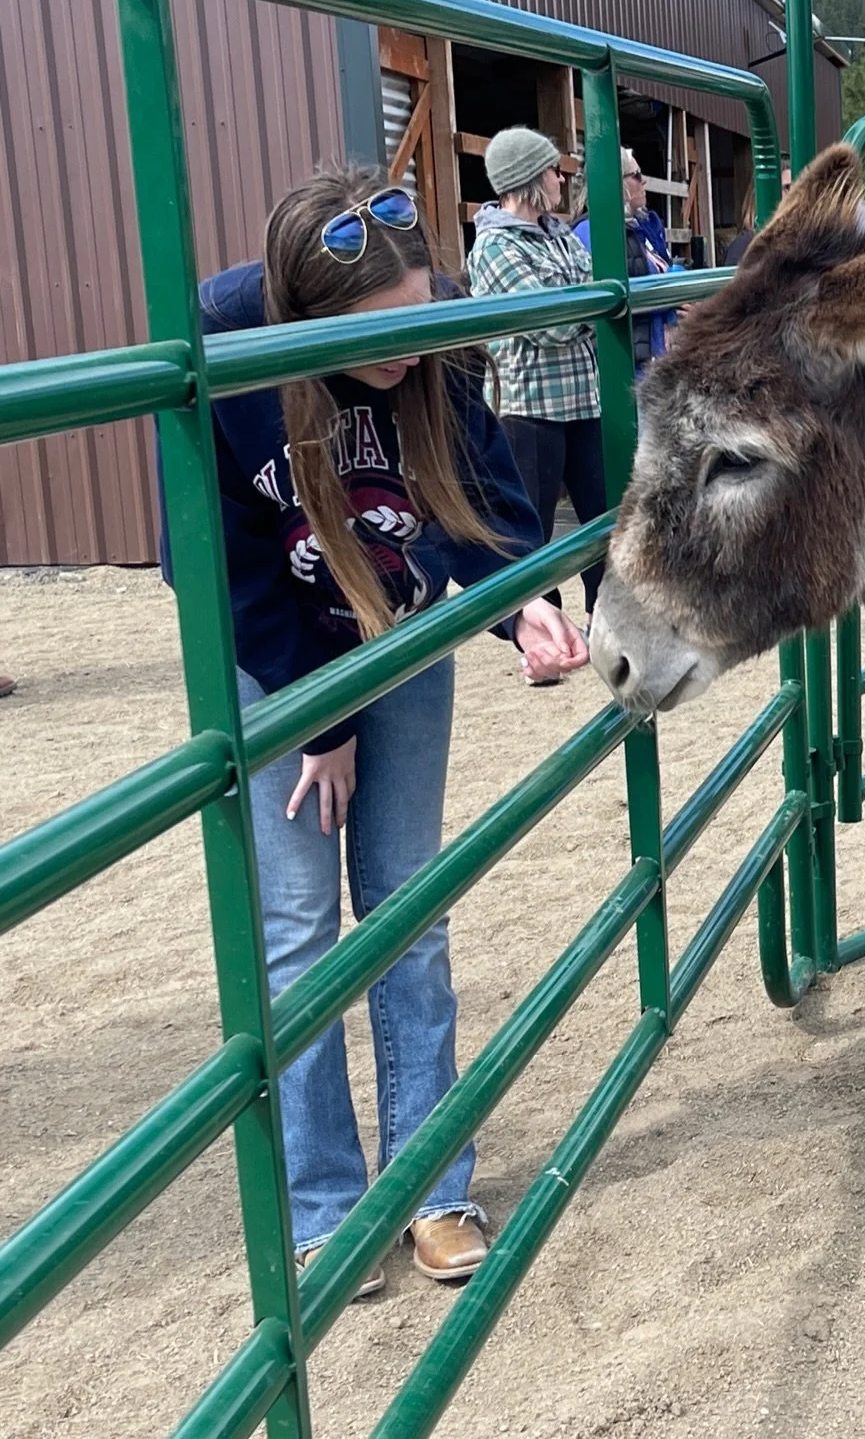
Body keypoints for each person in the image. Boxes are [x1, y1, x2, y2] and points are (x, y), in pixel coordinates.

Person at [184, 167, 587, 1297]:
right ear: (305, 325)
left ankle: (434, 1181)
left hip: (401, 639)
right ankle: (324, 1209)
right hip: (280, 661)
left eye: (424, 314)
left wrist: (526, 605)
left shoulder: (435, 336)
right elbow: (214, 564)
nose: (411, 345)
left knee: (410, 905)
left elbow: (483, 498)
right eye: (381, 332)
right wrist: (319, 712)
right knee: (300, 929)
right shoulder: (226, 352)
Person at [467, 126, 605, 647]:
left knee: (606, 517)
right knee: (532, 527)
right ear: (528, 179)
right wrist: (590, 306)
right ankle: (542, 637)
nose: (560, 177)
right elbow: (552, 324)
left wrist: (586, 304)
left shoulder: (560, 234)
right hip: (529, 408)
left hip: (583, 400)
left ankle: (609, 624)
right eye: (552, 169)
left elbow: (592, 294)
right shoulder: (494, 248)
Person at [573, 145, 679, 373]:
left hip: (657, 356)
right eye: (637, 175)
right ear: (616, 181)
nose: (644, 182)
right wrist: (672, 293)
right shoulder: (593, 231)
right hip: (628, 361)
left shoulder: (643, 228)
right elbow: (616, 295)